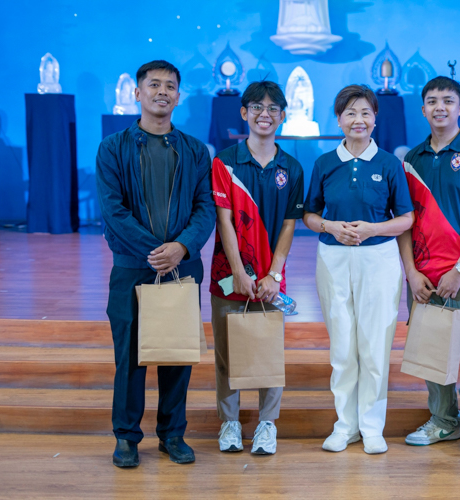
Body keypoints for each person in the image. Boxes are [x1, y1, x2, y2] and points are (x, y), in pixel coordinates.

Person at [96, 60, 215, 467]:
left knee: (177, 355)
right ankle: (126, 437)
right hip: (132, 266)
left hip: (182, 267)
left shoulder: (196, 151)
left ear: (178, 96)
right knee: (129, 356)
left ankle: (172, 435)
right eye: (154, 85)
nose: (161, 91)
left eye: (170, 86)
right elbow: (113, 210)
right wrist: (156, 250)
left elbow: (205, 209)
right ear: (138, 92)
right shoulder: (113, 148)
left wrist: (180, 247)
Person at [303, 84, 414, 455]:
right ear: (338, 119)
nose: (358, 120)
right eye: (350, 113)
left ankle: (371, 426)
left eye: (366, 113)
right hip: (333, 258)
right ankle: (344, 425)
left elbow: (407, 218)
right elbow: (309, 214)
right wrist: (332, 226)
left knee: (374, 343)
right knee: (343, 345)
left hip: (378, 260)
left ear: (375, 119)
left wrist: (372, 230)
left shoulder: (388, 164)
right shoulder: (324, 163)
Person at [398, 76, 460, 459]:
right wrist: (411, 273)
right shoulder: (411, 159)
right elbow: (404, 221)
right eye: (431, 101)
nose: (439, 106)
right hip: (424, 278)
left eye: (447, 100)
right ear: (423, 109)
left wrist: (458, 268)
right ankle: (443, 421)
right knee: (432, 351)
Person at [209, 81, 304, 456]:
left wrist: (274, 274)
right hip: (228, 275)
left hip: (270, 279)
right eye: (257, 107)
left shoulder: (292, 168)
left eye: (273, 108)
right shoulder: (224, 162)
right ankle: (229, 422)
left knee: (267, 349)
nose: (265, 114)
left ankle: (267, 424)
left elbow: (289, 225)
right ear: (244, 113)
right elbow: (224, 221)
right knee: (227, 352)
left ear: (283, 115)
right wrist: (240, 272)